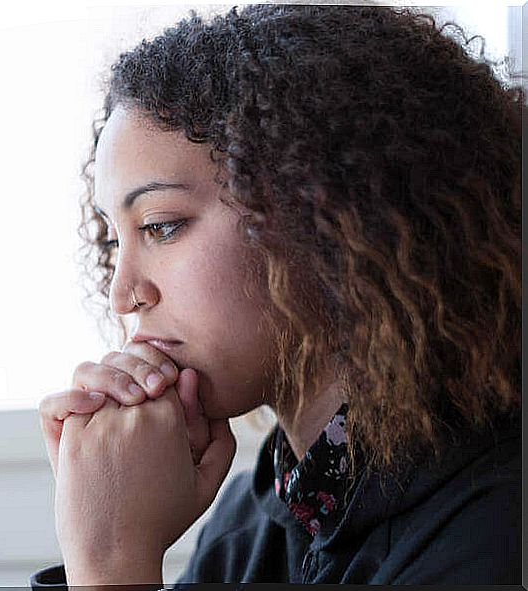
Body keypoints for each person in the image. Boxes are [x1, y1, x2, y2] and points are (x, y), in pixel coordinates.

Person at [31, 4, 523, 587]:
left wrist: (111, 563)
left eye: (160, 226)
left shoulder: (499, 531)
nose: (124, 294)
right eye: (116, 239)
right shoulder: (249, 522)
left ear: (324, 212)